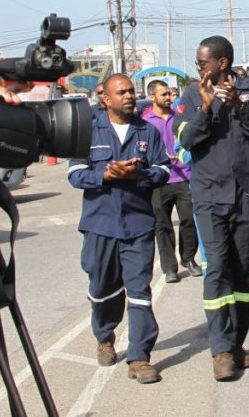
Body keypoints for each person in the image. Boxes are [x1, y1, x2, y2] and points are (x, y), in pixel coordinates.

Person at [175, 36, 249, 381]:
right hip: (208, 196)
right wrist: (205, 108)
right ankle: (220, 349)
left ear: (222, 62)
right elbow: (184, 141)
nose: (199, 68)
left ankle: (235, 345)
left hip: (245, 194)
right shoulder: (191, 94)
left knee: (240, 270)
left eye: (203, 62)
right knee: (216, 268)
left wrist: (240, 107)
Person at [67, 73, 170, 385]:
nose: (128, 96)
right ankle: (104, 335)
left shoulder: (147, 131)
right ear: (105, 99)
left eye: (130, 91)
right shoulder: (87, 131)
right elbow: (74, 174)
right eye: (121, 92)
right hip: (100, 224)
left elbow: (163, 170)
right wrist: (107, 175)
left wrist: (138, 176)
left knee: (139, 290)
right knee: (102, 288)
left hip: (138, 224)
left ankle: (140, 357)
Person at [141, 80, 201, 283]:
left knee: (188, 220)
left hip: (184, 176)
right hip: (159, 180)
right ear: (152, 97)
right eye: (163, 94)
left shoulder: (179, 116)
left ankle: (189, 259)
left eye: (169, 93)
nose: (168, 97)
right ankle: (169, 267)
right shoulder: (144, 120)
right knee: (162, 224)